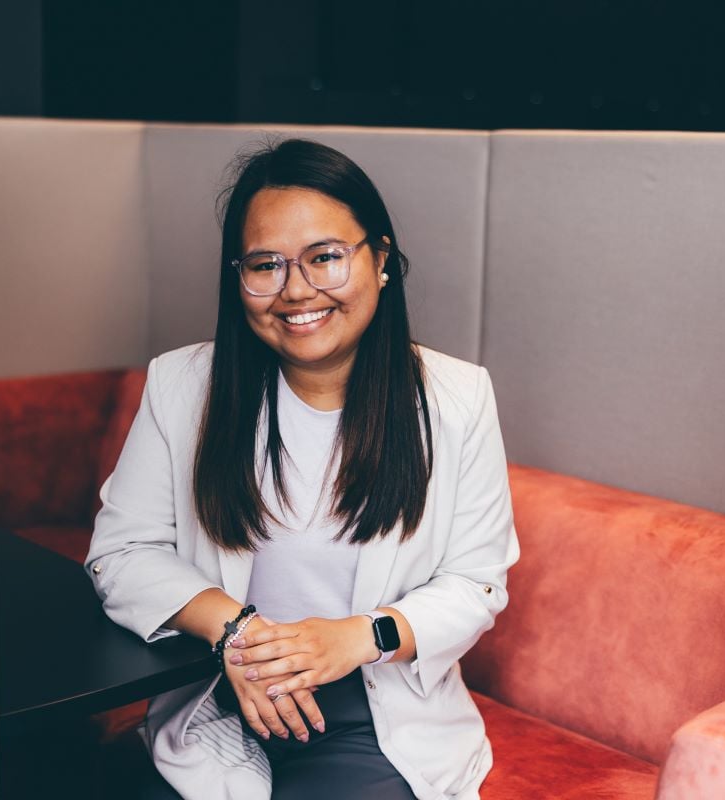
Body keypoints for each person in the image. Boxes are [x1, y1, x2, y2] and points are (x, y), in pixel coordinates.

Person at [86, 139, 518, 799]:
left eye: (324, 257)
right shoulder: (184, 387)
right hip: (219, 692)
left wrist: (358, 638)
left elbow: (476, 584)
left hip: (369, 711)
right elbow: (121, 553)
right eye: (266, 264)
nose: (295, 291)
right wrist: (237, 631)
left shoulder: (457, 398)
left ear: (379, 261)